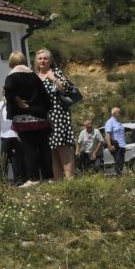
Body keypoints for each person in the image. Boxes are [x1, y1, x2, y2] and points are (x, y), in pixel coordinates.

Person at [3, 51, 51, 186]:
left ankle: (33, 178)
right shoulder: (34, 76)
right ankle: (49, 177)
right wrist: (46, 111)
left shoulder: (12, 76)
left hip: (23, 118)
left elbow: (8, 90)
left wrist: (15, 99)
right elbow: (44, 95)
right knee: (44, 148)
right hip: (40, 117)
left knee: (29, 148)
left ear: (11, 62)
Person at [34, 48, 76, 180]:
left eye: (45, 58)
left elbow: (67, 89)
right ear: (36, 61)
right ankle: (59, 182)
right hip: (44, 118)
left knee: (63, 149)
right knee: (51, 152)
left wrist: (53, 79)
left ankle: (70, 181)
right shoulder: (34, 77)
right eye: (40, 58)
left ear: (50, 61)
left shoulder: (56, 72)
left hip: (58, 115)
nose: (42, 61)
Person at [0, 96, 26, 185]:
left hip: (16, 135)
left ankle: (19, 180)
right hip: (5, 135)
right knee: (4, 158)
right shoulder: (0, 104)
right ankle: (2, 180)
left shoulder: (16, 104)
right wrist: (4, 103)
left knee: (16, 158)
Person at [104, 107, 126, 176]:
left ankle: (119, 176)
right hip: (116, 145)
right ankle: (118, 177)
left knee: (121, 163)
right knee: (119, 162)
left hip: (122, 145)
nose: (120, 114)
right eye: (119, 112)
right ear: (114, 113)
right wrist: (109, 145)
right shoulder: (110, 122)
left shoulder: (118, 122)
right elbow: (107, 134)